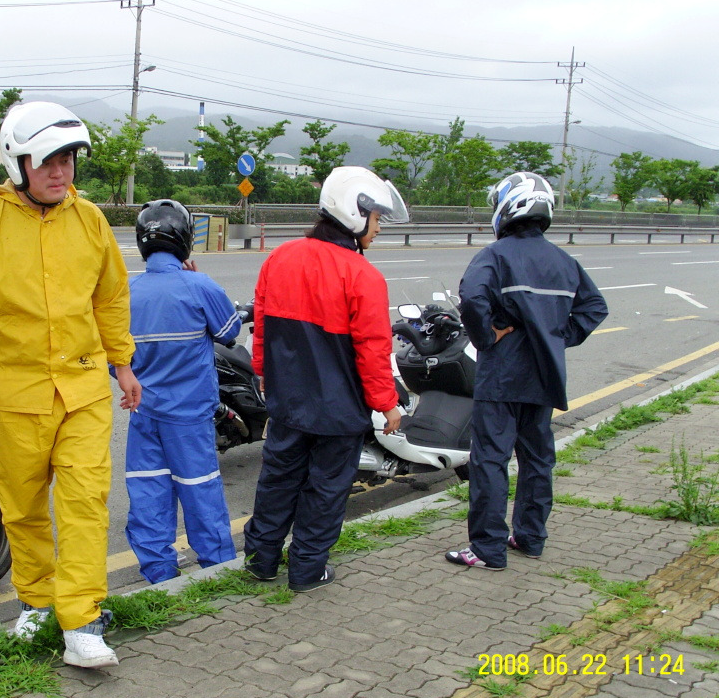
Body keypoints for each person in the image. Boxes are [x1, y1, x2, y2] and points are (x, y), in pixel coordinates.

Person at [0, 101, 141, 669]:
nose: (61, 173)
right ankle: (39, 602)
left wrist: (122, 363)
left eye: (69, 160)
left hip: (83, 391)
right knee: (21, 510)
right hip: (14, 394)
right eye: (49, 161)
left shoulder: (90, 219)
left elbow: (111, 297)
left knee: (84, 504)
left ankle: (82, 619)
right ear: (17, 162)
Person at [242, 166, 409, 592]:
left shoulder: (279, 258)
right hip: (338, 408)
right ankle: (307, 568)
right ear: (356, 212)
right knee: (325, 489)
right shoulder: (362, 274)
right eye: (375, 218)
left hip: (287, 401)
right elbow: (373, 349)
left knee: (278, 478)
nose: (378, 228)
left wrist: (263, 373)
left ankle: (261, 560)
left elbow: (261, 327)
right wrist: (387, 403)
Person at [445, 171, 608, 571]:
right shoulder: (565, 261)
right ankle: (531, 538)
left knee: (491, 461)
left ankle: (487, 548)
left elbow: (471, 299)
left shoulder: (494, 256)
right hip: (545, 376)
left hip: (502, 376)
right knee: (538, 461)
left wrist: (486, 338)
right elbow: (594, 308)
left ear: (507, 206)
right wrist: (556, 336)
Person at [122, 199, 241, 584]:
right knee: (200, 491)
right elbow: (229, 332)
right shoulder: (198, 285)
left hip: (144, 415)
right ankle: (217, 569)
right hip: (189, 418)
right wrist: (196, 280)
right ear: (185, 240)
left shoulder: (125, 292)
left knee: (148, 493)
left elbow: (114, 357)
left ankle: (159, 574)